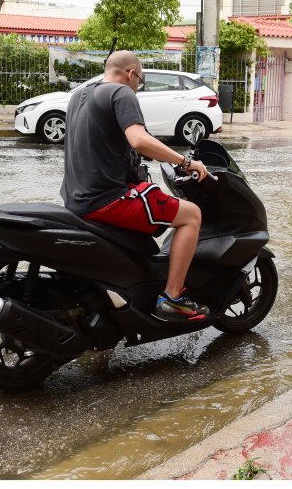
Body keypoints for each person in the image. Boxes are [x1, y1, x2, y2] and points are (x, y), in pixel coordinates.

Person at [60, 50, 212, 322]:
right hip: (107, 198)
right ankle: (173, 299)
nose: (137, 88)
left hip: (75, 199)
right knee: (192, 215)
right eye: (139, 82)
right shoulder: (121, 93)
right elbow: (139, 140)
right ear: (131, 73)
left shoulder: (79, 95)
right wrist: (187, 162)